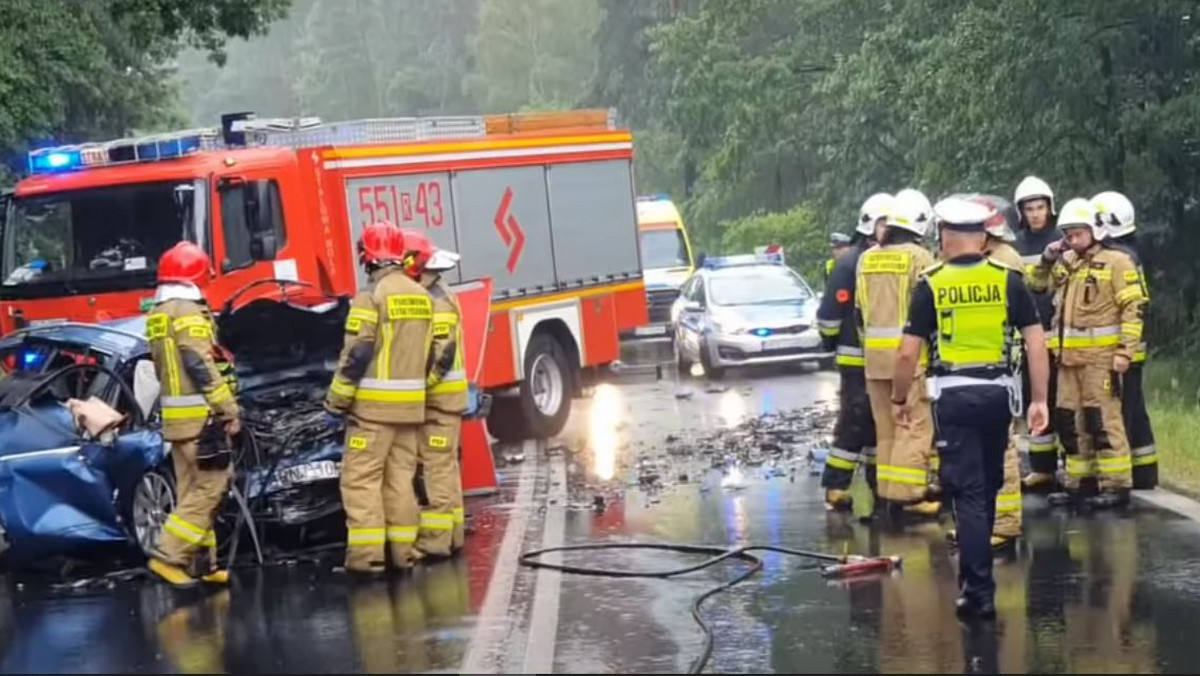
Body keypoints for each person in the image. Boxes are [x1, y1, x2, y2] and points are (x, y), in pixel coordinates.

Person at [892, 196, 1049, 618]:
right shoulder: (1006, 279)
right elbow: (1036, 341)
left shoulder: (931, 283)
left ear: (943, 236)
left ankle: (978, 592)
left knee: (970, 496)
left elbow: (908, 354)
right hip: (998, 396)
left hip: (954, 398)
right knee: (990, 483)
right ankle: (979, 584)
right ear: (982, 239)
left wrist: (898, 398)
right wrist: (1039, 400)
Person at [325, 222, 434, 574]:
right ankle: (404, 554)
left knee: (360, 481)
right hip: (410, 410)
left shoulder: (370, 297)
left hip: (372, 412)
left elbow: (357, 353)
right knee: (400, 481)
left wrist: (337, 399)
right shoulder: (422, 296)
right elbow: (430, 354)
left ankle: (366, 559)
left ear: (366, 256)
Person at [1029, 198, 1144, 509]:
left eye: (1077, 233)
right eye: (1067, 234)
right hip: (1068, 362)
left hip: (1101, 360)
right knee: (1070, 422)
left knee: (1103, 421)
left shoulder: (1118, 262)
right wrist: (1047, 258)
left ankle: (1116, 486)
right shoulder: (1068, 262)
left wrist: (1125, 352)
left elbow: (1134, 309)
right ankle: (1079, 482)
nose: (1071, 239)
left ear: (1095, 230)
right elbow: (1037, 285)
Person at [145, 241, 240, 588]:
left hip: (176, 419)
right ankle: (168, 556)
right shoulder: (187, 312)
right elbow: (199, 363)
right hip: (201, 417)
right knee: (213, 486)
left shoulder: (157, 314)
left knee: (191, 491)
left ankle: (203, 565)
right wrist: (226, 408)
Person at [856, 188, 941, 517]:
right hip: (908, 357)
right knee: (914, 426)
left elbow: (861, 311)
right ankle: (910, 498)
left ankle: (889, 494)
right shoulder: (919, 258)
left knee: (886, 428)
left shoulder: (867, 258)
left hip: (873, 360)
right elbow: (928, 308)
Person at [399, 228, 469, 557]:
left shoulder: (437, 302)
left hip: (439, 400)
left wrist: (420, 387)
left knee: (437, 469)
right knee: (447, 467)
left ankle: (437, 542)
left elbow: (443, 353)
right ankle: (452, 535)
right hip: (447, 400)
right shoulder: (437, 294)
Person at [818, 193, 891, 509]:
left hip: (884, 358)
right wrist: (832, 341)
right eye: (883, 223)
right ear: (868, 225)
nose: (889, 229)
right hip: (856, 357)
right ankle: (835, 485)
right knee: (854, 420)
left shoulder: (894, 258)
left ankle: (880, 486)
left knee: (880, 422)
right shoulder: (848, 263)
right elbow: (829, 313)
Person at [1093, 191, 1157, 489]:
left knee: (1121, 412)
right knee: (1135, 408)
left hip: (1123, 347)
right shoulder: (1133, 251)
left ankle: (1123, 477)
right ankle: (1145, 473)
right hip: (1134, 345)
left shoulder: (1119, 258)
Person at [976, 196, 1025, 547]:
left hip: (1000, 364)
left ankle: (1005, 523)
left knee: (1002, 446)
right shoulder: (982, 258)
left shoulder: (1004, 261)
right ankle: (985, 521)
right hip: (978, 363)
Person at [1012, 176, 1063, 490]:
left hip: (1059, 331)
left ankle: (1072, 465)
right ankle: (1042, 467)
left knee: (1064, 402)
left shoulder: (1061, 239)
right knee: (1035, 399)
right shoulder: (1016, 245)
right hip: (1028, 334)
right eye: (1029, 208)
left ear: (1050, 208)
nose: (1035, 213)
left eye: (1040, 207)